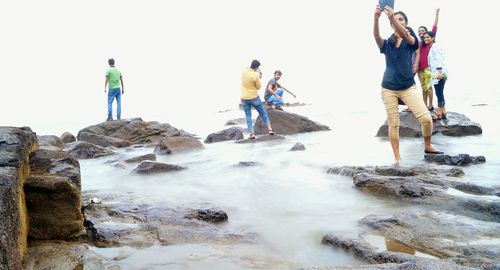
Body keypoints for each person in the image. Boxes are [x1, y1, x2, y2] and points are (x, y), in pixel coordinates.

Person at [373, 5, 442, 164]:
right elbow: (377, 37)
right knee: (394, 124)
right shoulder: (388, 43)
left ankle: (428, 145)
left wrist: (391, 17)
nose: (398, 21)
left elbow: (404, 33)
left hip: (407, 87)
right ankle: (397, 158)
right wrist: (376, 19)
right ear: (390, 25)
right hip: (388, 88)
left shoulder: (411, 40)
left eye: (401, 19)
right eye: (395, 19)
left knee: (426, 119)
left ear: (406, 23)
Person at [241, 60, 275, 139]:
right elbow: (258, 87)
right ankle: (270, 130)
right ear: (256, 67)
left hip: (244, 97)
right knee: (263, 112)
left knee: (248, 115)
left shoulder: (243, 71)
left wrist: (256, 75)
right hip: (253, 97)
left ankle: (252, 133)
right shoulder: (255, 75)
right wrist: (259, 76)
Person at [415, 8, 440, 111]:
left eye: (423, 31)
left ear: (426, 32)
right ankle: (424, 105)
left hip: (428, 68)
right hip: (419, 68)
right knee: (423, 87)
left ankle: (430, 105)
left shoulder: (428, 41)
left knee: (429, 86)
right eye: (419, 31)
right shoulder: (418, 43)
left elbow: (434, 28)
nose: (421, 32)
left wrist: (437, 14)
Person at [426, 31, 448, 119]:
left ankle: (439, 110)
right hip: (437, 73)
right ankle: (443, 110)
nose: (426, 39)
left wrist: (439, 72)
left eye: (428, 37)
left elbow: (439, 59)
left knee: (439, 92)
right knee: (440, 92)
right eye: (425, 38)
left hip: (439, 73)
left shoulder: (435, 47)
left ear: (432, 38)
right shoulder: (432, 47)